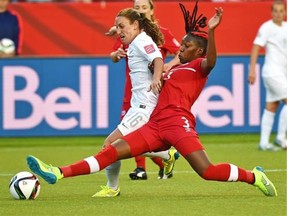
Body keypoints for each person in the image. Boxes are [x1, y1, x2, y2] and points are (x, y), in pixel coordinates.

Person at [26, 2, 277, 198]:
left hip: (178, 123)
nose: (182, 47)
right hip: (155, 124)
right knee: (111, 151)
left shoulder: (200, 68)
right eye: (183, 44)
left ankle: (253, 177)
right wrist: (123, 35)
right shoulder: (174, 67)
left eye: (188, 46)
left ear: (199, 51)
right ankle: (57, 172)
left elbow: (211, 60)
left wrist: (211, 31)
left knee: (207, 171)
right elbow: (155, 51)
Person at [107, 0, 181, 181]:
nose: (140, 10)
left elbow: (179, 52)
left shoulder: (156, 34)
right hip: (131, 90)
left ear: (151, 10)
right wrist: (115, 54)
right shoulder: (127, 33)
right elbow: (113, 55)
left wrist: (168, 65)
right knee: (135, 135)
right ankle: (163, 158)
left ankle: (142, 168)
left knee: (128, 137)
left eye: (144, 7)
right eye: (137, 7)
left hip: (148, 93)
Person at [248, 0, 287, 151]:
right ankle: (281, 138)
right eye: (275, 11)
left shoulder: (286, 27)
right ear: (271, 12)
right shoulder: (266, 27)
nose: (278, 14)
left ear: (285, 12)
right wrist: (252, 70)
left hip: (283, 73)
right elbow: (256, 47)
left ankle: (264, 143)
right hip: (272, 72)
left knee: (272, 106)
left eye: (281, 11)